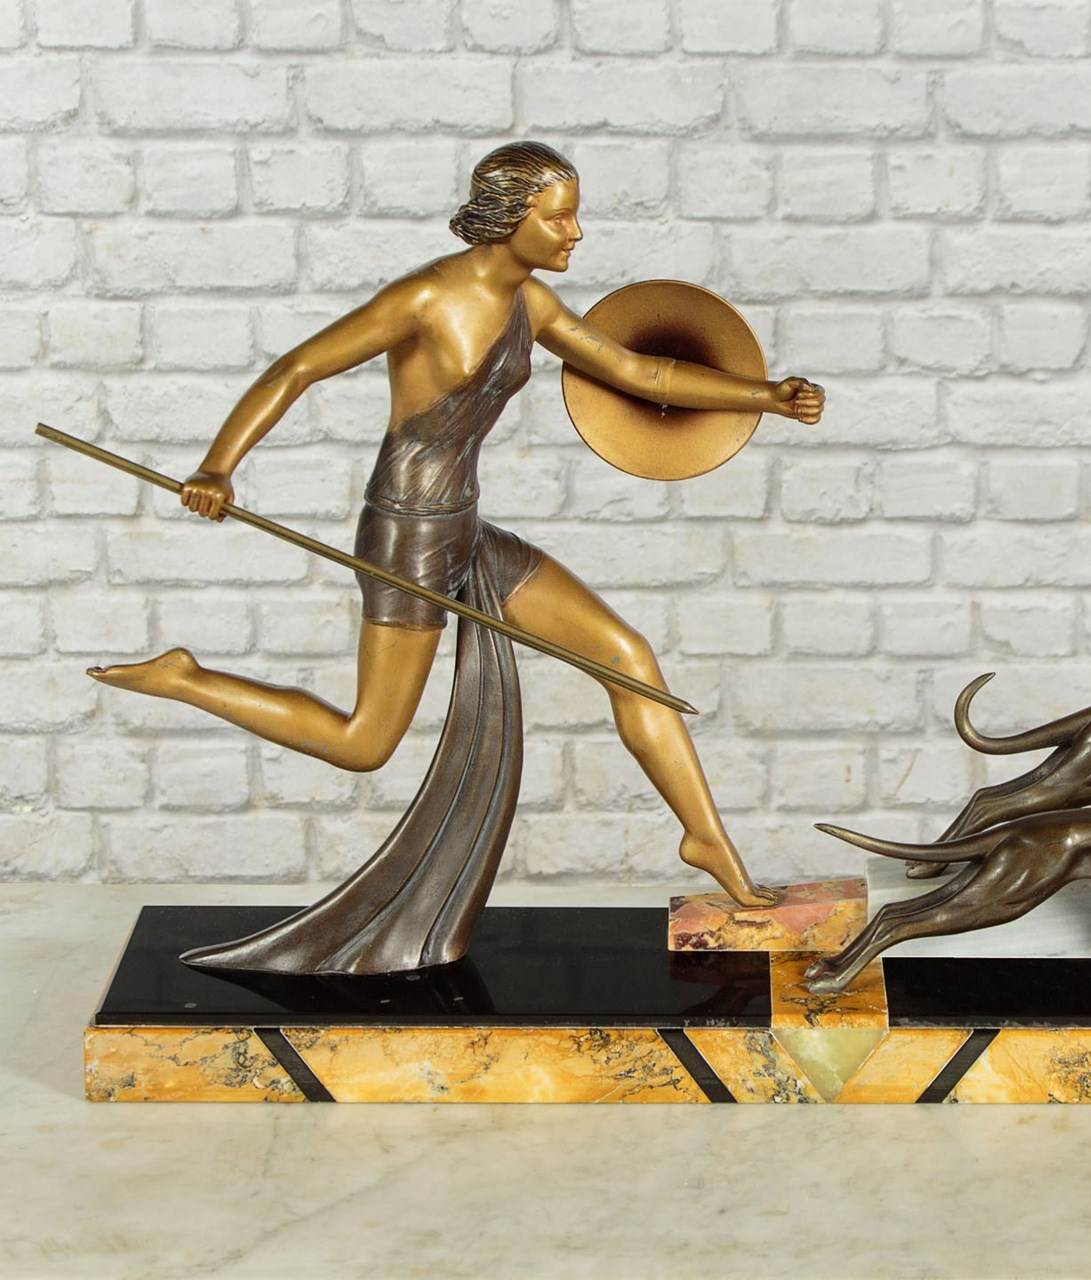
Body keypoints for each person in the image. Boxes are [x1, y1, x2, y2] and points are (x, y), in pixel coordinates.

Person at [88, 143, 824, 972]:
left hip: (465, 529)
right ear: (511, 218)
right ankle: (187, 678)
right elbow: (297, 368)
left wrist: (765, 397)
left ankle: (705, 839)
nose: (575, 233)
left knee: (628, 659)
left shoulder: (531, 302)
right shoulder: (426, 297)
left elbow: (637, 371)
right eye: (559, 218)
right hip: (407, 535)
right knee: (365, 742)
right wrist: (218, 468)